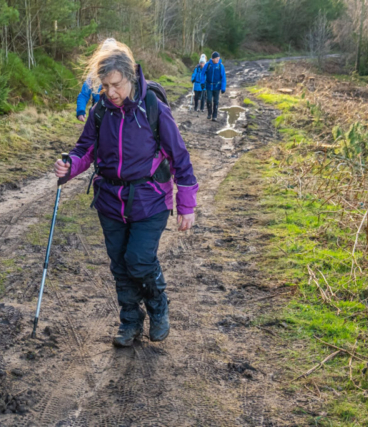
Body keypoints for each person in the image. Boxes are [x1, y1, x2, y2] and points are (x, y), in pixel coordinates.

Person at [54, 41, 198, 347]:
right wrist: (69, 166)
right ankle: (130, 322)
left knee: (138, 260)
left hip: (150, 199)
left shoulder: (154, 108)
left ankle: (158, 307)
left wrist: (187, 205)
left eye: (116, 85)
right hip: (110, 200)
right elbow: (85, 150)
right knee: (120, 265)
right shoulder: (100, 110)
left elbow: (180, 157)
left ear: (131, 76)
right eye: (105, 86)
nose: (112, 93)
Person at [75, 38, 118, 122]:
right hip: (98, 117)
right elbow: (84, 94)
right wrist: (80, 111)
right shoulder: (94, 74)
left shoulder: (121, 74)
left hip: (116, 117)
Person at [204, 51, 226, 121]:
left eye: (218, 58)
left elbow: (223, 77)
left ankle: (214, 115)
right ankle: (209, 113)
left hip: (217, 86)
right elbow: (202, 73)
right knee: (209, 100)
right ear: (213, 58)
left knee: (216, 101)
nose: (218, 59)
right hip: (209, 86)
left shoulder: (221, 66)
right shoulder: (208, 65)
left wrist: (223, 87)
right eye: (216, 58)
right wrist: (202, 82)